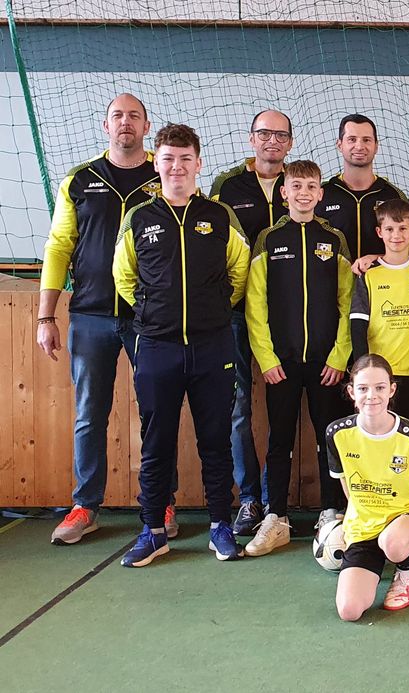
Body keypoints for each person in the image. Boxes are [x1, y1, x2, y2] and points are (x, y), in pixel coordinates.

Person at [39, 93, 179, 545]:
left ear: (146, 126)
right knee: (88, 413)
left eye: (134, 116)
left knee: (157, 411)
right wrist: (47, 315)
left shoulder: (165, 173)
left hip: (151, 319)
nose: (126, 123)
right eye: (118, 116)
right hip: (90, 315)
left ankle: (161, 502)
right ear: (106, 126)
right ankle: (85, 505)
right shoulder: (80, 180)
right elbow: (59, 247)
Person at [112, 122, 250, 567]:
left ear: (198, 164)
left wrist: (211, 311)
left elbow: (239, 271)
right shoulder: (140, 217)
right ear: (158, 162)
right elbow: (125, 278)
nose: (176, 167)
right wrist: (154, 312)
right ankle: (153, 530)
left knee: (215, 441)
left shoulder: (218, 216)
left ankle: (220, 526)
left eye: (185, 159)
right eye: (168, 159)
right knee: (156, 442)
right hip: (156, 347)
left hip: (213, 347)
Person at [243, 160, 352, 555]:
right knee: (279, 439)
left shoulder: (334, 239)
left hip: (327, 366)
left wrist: (340, 356)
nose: (304, 192)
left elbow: (347, 302)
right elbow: (255, 305)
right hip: (281, 365)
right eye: (296, 186)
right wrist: (267, 357)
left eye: (311, 186)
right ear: (284, 192)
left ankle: (330, 511)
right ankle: (276, 516)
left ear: (321, 193)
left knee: (330, 440)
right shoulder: (269, 239)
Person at [211, 109, 293, 536]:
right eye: (265, 134)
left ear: (291, 143)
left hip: (292, 320)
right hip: (237, 317)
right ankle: (250, 500)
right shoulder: (227, 186)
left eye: (281, 135)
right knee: (240, 408)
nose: (272, 142)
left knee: (287, 414)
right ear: (251, 138)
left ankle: (280, 501)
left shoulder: (300, 181)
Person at [328, 354, 409, 619]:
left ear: (392, 389)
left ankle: (405, 571)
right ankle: (373, 565)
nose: (371, 396)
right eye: (363, 388)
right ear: (351, 391)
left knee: (394, 542)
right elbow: (347, 484)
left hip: (407, 520)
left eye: (379, 388)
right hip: (365, 526)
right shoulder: (337, 433)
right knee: (349, 610)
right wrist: (353, 518)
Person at [350, 199, 409, 428]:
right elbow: (357, 326)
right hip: (379, 374)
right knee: (376, 431)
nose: (396, 235)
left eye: (402, 229)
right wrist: (363, 370)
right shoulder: (368, 274)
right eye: (389, 229)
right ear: (379, 232)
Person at [321, 113, 409, 258]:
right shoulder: (321, 194)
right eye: (352, 139)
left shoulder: (394, 196)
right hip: (332, 280)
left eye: (366, 140)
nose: (359, 146)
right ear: (339, 145)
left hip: (381, 279)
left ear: (376, 146)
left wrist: (377, 259)